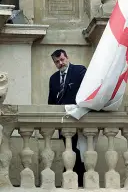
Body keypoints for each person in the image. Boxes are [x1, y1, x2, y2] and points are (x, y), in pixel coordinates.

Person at [48, 49, 86, 186]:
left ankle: (79, 182)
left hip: (79, 119)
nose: (60, 63)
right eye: (57, 62)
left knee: (81, 151)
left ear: (67, 58)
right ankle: (71, 179)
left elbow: (87, 91)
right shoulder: (53, 79)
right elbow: (51, 102)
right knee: (69, 150)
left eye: (62, 60)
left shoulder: (79, 71)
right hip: (63, 122)